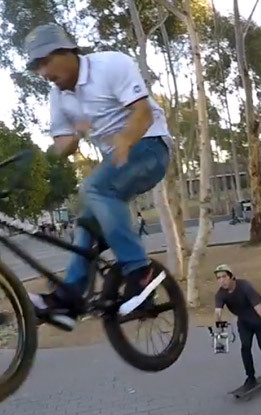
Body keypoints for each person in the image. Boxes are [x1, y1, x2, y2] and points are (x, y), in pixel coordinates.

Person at [23, 23, 171, 331]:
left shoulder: (111, 64)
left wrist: (125, 139)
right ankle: (70, 298)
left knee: (94, 188)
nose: (43, 73)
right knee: (86, 224)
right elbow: (63, 144)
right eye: (37, 67)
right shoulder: (58, 97)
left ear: (67, 51)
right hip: (116, 162)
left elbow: (143, 113)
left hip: (149, 148)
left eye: (46, 61)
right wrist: (70, 140)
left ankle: (139, 271)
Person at [213, 264, 261, 393]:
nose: (222, 281)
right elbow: (217, 313)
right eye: (218, 278)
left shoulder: (245, 287)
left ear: (231, 277)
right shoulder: (220, 294)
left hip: (260, 322)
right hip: (244, 323)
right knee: (245, 348)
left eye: (224, 277)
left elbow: (260, 310)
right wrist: (219, 332)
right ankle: (250, 378)